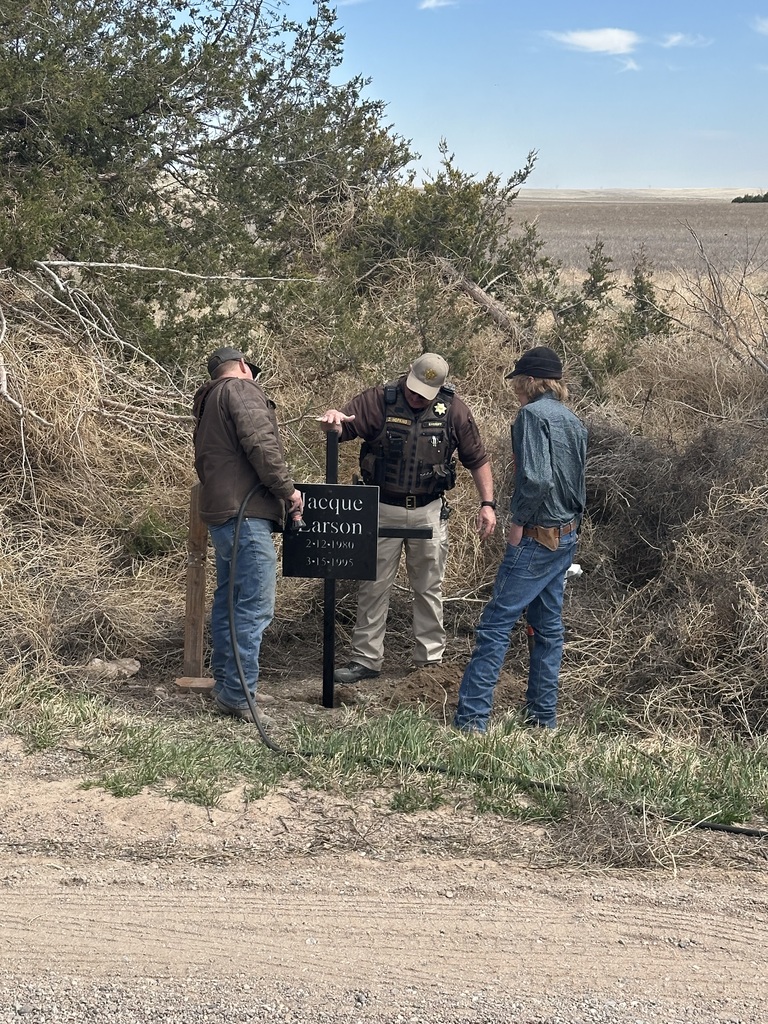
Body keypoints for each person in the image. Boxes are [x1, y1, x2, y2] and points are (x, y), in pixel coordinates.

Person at [318, 352, 497, 683]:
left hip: (428, 511)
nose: (416, 398)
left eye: (424, 394)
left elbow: (477, 458)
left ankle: (429, 662)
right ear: (408, 376)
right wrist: (334, 422)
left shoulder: (454, 410)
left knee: (429, 587)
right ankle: (366, 660)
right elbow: (345, 426)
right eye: (413, 390)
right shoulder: (379, 400)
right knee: (372, 585)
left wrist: (488, 503)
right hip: (381, 506)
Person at [453, 345, 587, 733]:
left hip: (536, 536)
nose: (514, 388)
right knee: (547, 629)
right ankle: (543, 719)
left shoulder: (530, 415)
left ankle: (472, 720)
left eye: (517, 381)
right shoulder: (572, 420)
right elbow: (578, 485)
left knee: (496, 624)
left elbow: (538, 478)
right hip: (565, 536)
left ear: (529, 381)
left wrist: (519, 522)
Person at [192, 346, 303, 723]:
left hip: (223, 513)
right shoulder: (239, 390)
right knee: (255, 605)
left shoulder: (208, 402)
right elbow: (262, 444)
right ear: (242, 367)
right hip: (246, 514)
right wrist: (287, 491)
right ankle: (240, 695)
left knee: (230, 601)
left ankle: (227, 687)